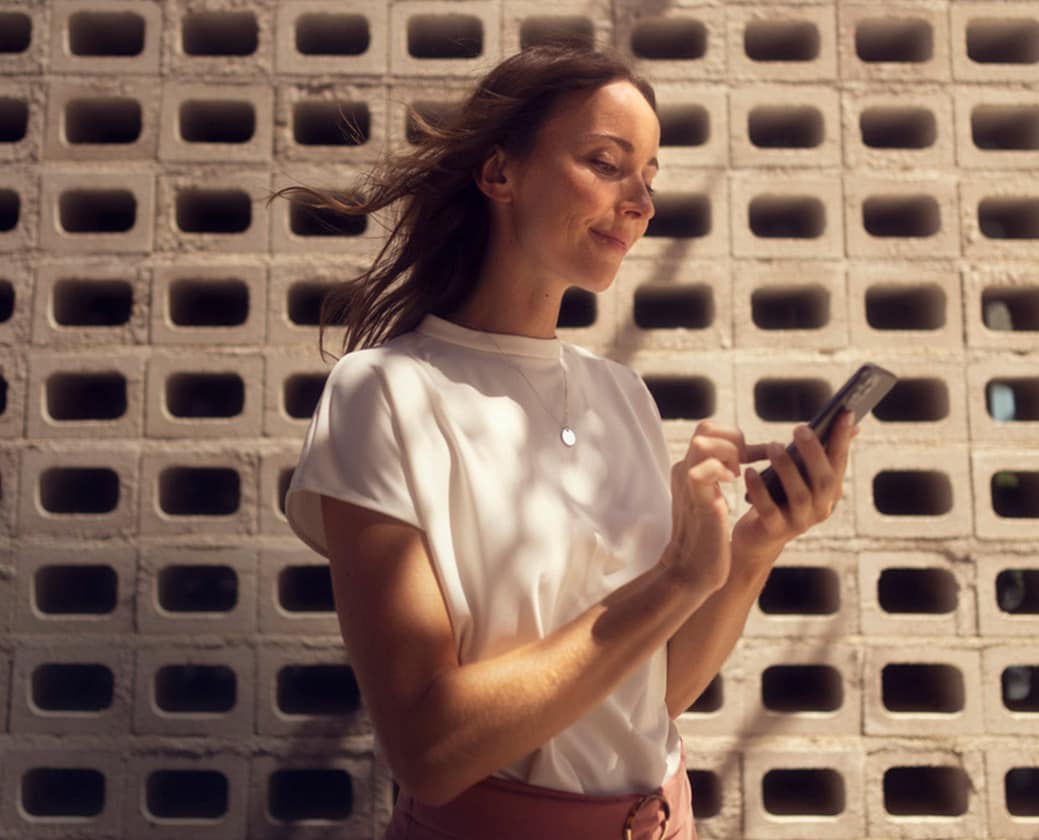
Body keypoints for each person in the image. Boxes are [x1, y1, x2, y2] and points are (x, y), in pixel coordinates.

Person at [275, 41, 856, 840]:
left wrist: (753, 546)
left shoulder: (623, 395)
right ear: (500, 173)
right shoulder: (385, 394)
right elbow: (429, 749)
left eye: (649, 177)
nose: (641, 203)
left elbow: (644, 699)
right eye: (607, 162)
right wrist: (676, 581)